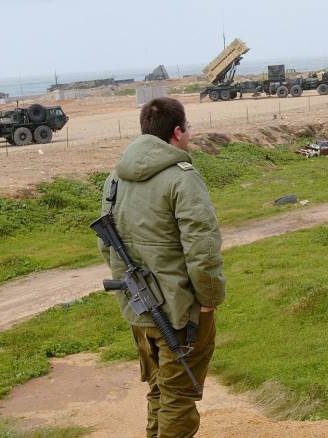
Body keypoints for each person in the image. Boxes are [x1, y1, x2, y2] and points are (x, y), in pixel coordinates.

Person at [99, 97, 225, 438]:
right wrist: (209, 299)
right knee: (178, 395)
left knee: (159, 388)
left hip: (138, 308)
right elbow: (202, 249)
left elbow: (106, 244)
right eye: (188, 129)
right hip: (180, 312)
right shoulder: (182, 178)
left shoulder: (115, 178)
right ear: (177, 132)